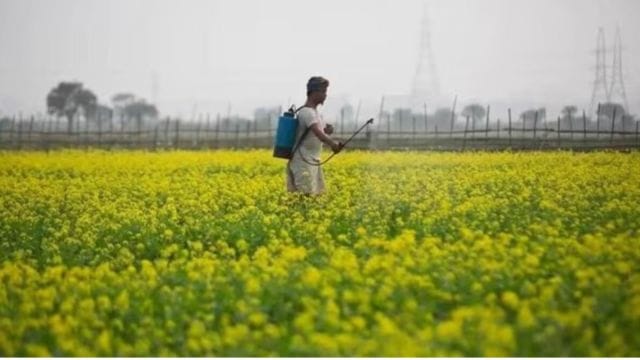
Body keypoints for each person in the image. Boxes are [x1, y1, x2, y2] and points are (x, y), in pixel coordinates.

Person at [286, 76, 343, 195]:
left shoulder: (315, 113)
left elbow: (318, 132)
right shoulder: (307, 112)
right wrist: (333, 144)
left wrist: (327, 131)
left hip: (312, 160)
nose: (325, 95)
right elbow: (318, 133)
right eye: (323, 91)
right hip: (303, 161)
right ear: (314, 92)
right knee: (305, 197)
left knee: (315, 197)